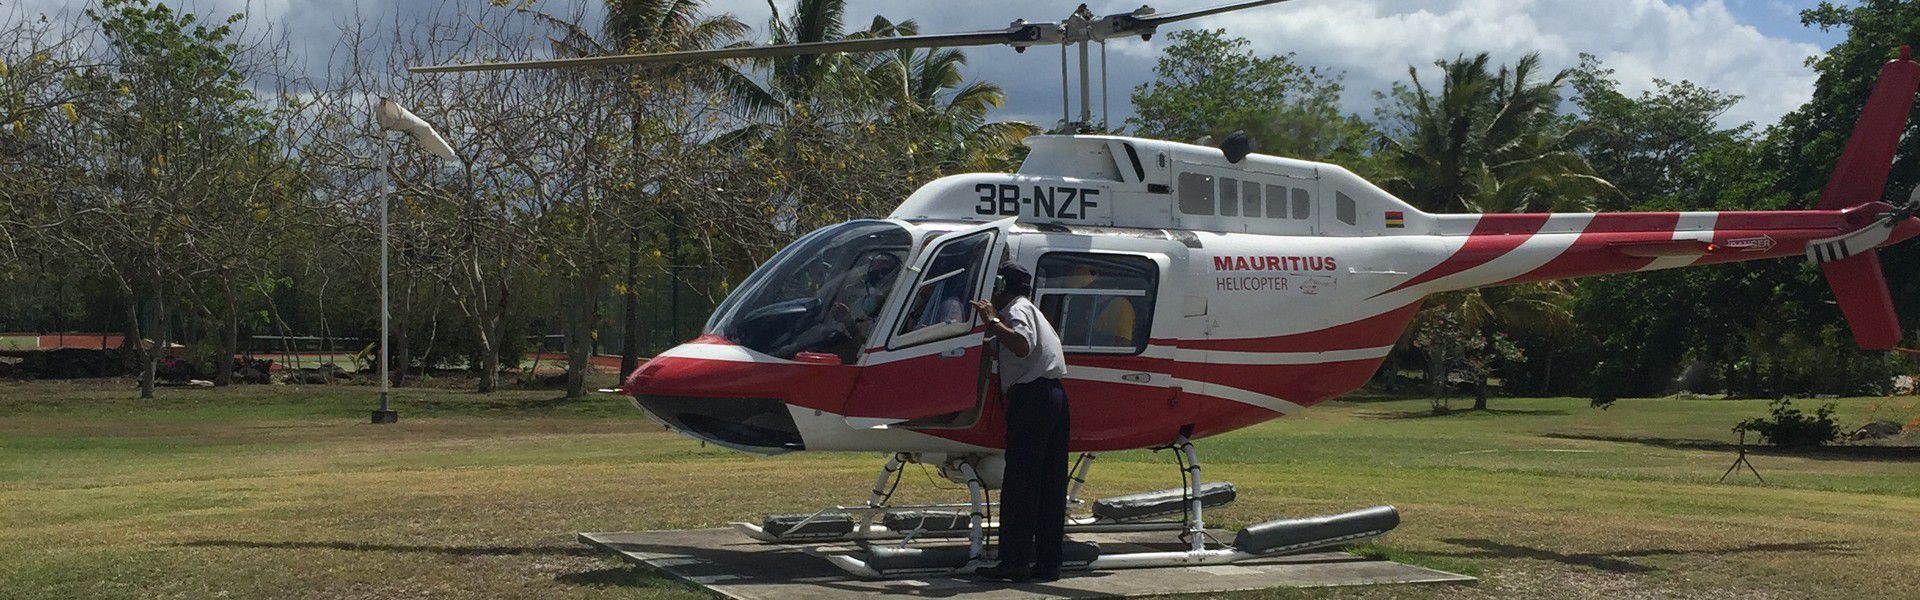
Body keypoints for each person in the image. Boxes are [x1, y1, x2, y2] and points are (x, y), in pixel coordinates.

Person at [969, 262, 1070, 583]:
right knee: (1050, 485)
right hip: (1054, 396)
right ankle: (1048, 562)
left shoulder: (1015, 311)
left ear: (1002, 287)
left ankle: (1013, 561)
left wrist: (991, 322)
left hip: (1032, 399)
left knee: (1021, 484)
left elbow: (1022, 346)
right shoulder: (1032, 310)